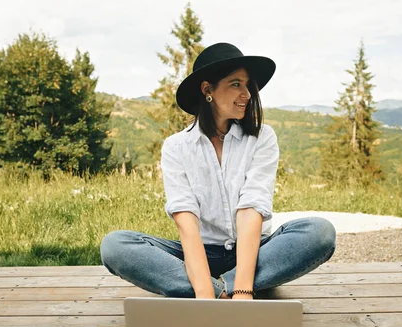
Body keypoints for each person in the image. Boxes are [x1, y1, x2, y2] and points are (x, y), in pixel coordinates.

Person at [100, 43, 336, 300]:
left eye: (247, 85)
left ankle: (230, 283)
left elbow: (251, 210)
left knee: (320, 232)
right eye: (236, 84)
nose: (246, 94)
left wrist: (243, 289)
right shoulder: (176, 147)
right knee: (115, 246)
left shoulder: (262, 138)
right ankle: (220, 288)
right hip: (201, 254)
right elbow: (186, 224)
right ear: (207, 90)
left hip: (255, 252)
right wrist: (206, 293)